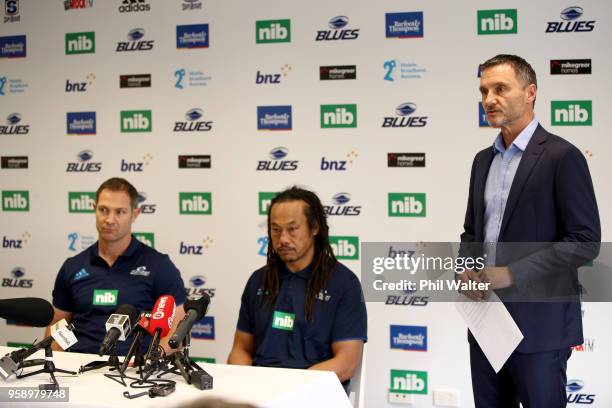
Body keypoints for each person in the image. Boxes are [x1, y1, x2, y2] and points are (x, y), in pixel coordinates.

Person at [459, 54, 600, 407]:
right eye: (484, 91)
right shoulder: (482, 160)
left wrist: (510, 273)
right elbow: (472, 231)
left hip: (541, 330)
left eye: (501, 88)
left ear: (531, 92)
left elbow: (585, 242)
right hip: (486, 328)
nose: (489, 99)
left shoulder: (561, 157)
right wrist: (465, 269)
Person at [227, 186, 367, 386]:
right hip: (259, 391)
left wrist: (293, 388)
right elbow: (241, 349)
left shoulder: (344, 283)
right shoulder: (258, 280)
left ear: (315, 227)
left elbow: (346, 362)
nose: (283, 239)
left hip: (314, 392)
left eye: (292, 229)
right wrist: (250, 384)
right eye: (276, 230)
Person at [46, 177, 186, 355]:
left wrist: (149, 362)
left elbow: (178, 330)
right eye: (103, 210)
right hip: (78, 369)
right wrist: (60, 363)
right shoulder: (72, 267)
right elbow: (57, 327)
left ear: (134, 214)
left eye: (120, 212)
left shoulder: (159, 265)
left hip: (135, 372)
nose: (110, 219)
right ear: (94, 209)